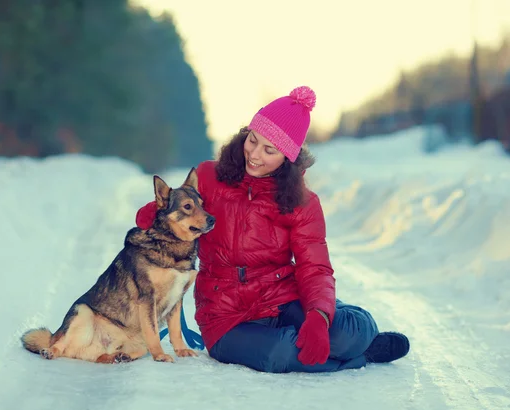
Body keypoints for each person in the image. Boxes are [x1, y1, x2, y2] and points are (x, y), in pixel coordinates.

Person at [135, 86, 410, 373]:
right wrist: (156, 211)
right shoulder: (208, 176)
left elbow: (315, 267)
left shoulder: (302, 201)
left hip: (281, 297)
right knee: (281, 353)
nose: (254, 154)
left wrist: (318, 316)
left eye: (269, 150)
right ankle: (362, 356)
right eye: (252, 140)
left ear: (288, 158)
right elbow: (168, 210)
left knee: (345, 330)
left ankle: (353, 339)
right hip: (225, 315)